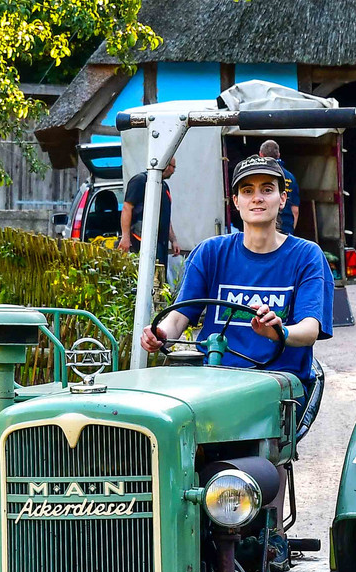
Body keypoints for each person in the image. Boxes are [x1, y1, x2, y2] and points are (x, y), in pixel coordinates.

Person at [140, 152, 331, 441]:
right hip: (213, 382)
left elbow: (309, 329)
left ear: (282, 199)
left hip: (275, 384)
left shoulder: (306, 255)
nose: (257, 198)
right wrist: (160, 333)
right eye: (247, 190)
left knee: (256, 463)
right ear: (236, 201)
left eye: (267, 189)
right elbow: (180, 316)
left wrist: (279, 331)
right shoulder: (211, 252)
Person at [120, 157, 183, 286]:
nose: (173, 171)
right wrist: (125, 237)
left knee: (159, 278)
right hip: (141, 241)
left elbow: (165, 216)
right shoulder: (140, 181)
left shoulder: (164, 186)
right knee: (143, 278)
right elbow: (127, 208)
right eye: (173, 167)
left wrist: (174, 239)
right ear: (166, 165)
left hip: (160, 242)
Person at [257, 140, 301, 235]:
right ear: (279, 155)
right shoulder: (290, 177)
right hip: (286, 227)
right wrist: (290, 230)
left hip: (263, 228)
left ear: (260, 155)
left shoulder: (257, 176)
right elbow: (295, 210)